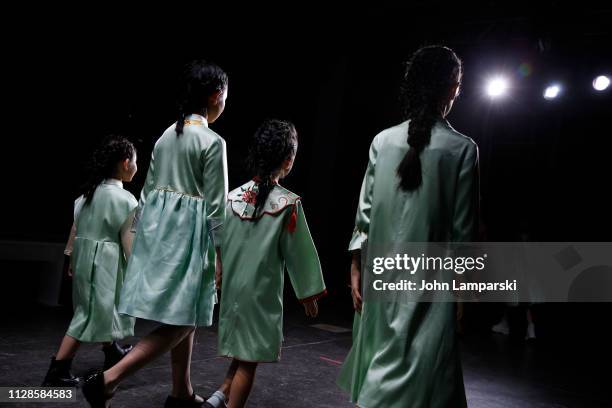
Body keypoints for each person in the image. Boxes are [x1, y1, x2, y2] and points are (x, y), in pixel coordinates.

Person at [337, 45, 479, 408]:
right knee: (426, 387)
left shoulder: (382, 142)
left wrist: (355, 265)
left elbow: (364, 217)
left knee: (379, 374)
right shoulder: (463, 150)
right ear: (450, 87)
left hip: (380, 277)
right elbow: (464, 235)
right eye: (458, 84)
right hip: (432, 287)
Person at [81, 60, 229, 408]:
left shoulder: (166, 135)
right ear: (216, 95)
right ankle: (107, 380)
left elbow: (147, 194)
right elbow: (216, 206)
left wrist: (143, 239)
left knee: (181, 315)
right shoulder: (212, 141)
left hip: (161, 235)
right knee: (187, 318)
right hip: (190, 239)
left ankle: (181, 393)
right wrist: (222, 251)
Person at [206, 119, 326, 408]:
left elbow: (218, 244)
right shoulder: (287, 203)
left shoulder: (232, 199)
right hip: (260, 295)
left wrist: (218, 271)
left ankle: (219, 394)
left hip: (234, 291)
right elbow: (300, 253)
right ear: (288, 159)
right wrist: (308, 293)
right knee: (250, 360)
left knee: (242, 349)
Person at [42, 135, 138, 386]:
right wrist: (138, 270)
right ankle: (58, 369)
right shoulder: (127, 200)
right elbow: (130, 244)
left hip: (84, 260)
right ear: (126, 163)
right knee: (89, 313)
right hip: (105, 264)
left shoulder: (84, 197)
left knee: (94, 308)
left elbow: (75, 229)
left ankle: (111, 349)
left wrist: (71, 258)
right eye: (135, 162)